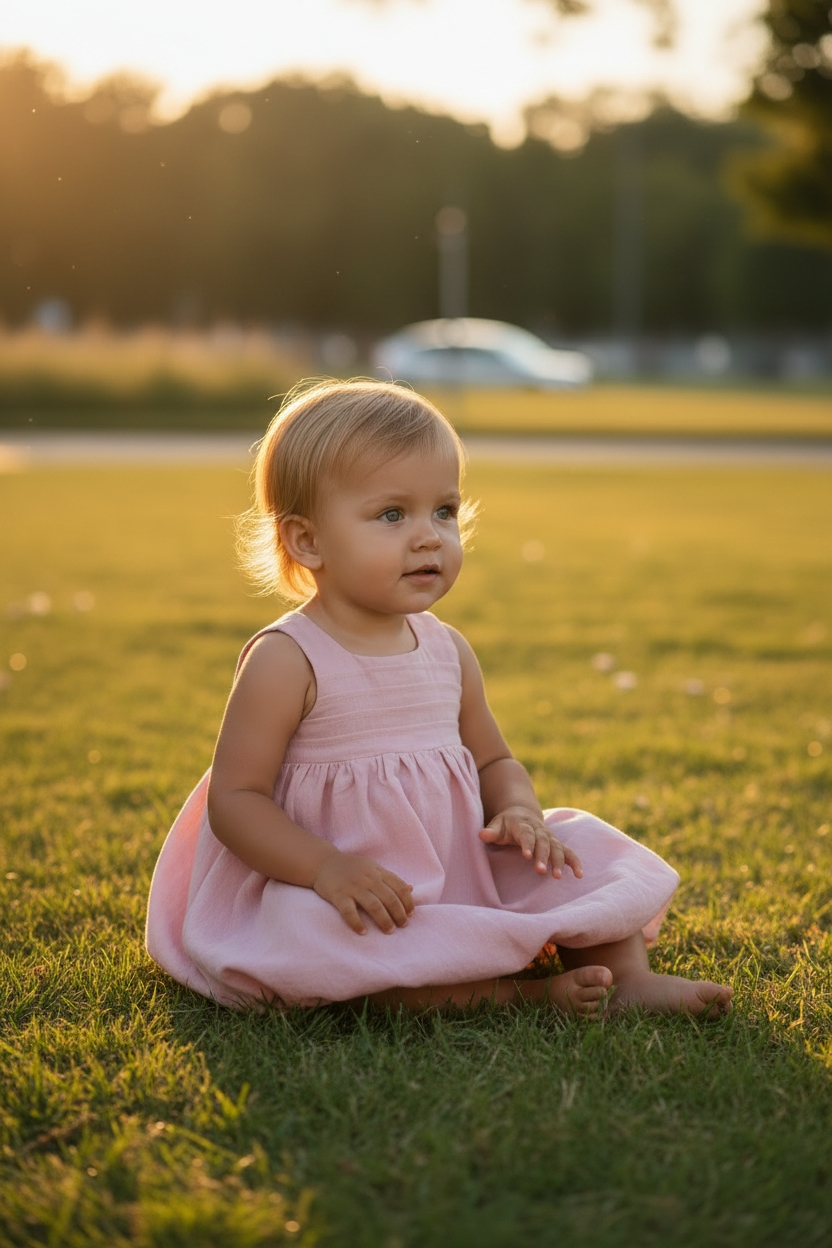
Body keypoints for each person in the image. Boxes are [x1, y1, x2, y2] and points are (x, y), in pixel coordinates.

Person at [146, 379, 733, 1017]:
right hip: (349, 885)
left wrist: (520, 812)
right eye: (392, 515)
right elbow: (236, 802)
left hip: (459, 872)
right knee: (318, 933)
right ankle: (520, 996)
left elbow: (494, 762)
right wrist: (325, 869)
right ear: (307, 541)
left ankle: (625, 977)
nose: (429, 537)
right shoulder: (288, 659)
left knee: (581, 846)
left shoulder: (447, 650)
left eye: (444, 511)